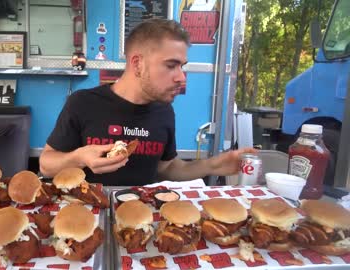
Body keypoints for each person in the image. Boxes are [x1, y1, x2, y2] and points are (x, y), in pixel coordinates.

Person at [39, 18, 256, 186]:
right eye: (171, 65)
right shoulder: (83, 103)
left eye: (182, 66)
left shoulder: (164, 111)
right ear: (137, 64)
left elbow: (167, 168)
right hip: (87, 218)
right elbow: (46, 165)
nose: (181, 77)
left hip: (142, 220)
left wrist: (213, 165)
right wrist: (80, 157)